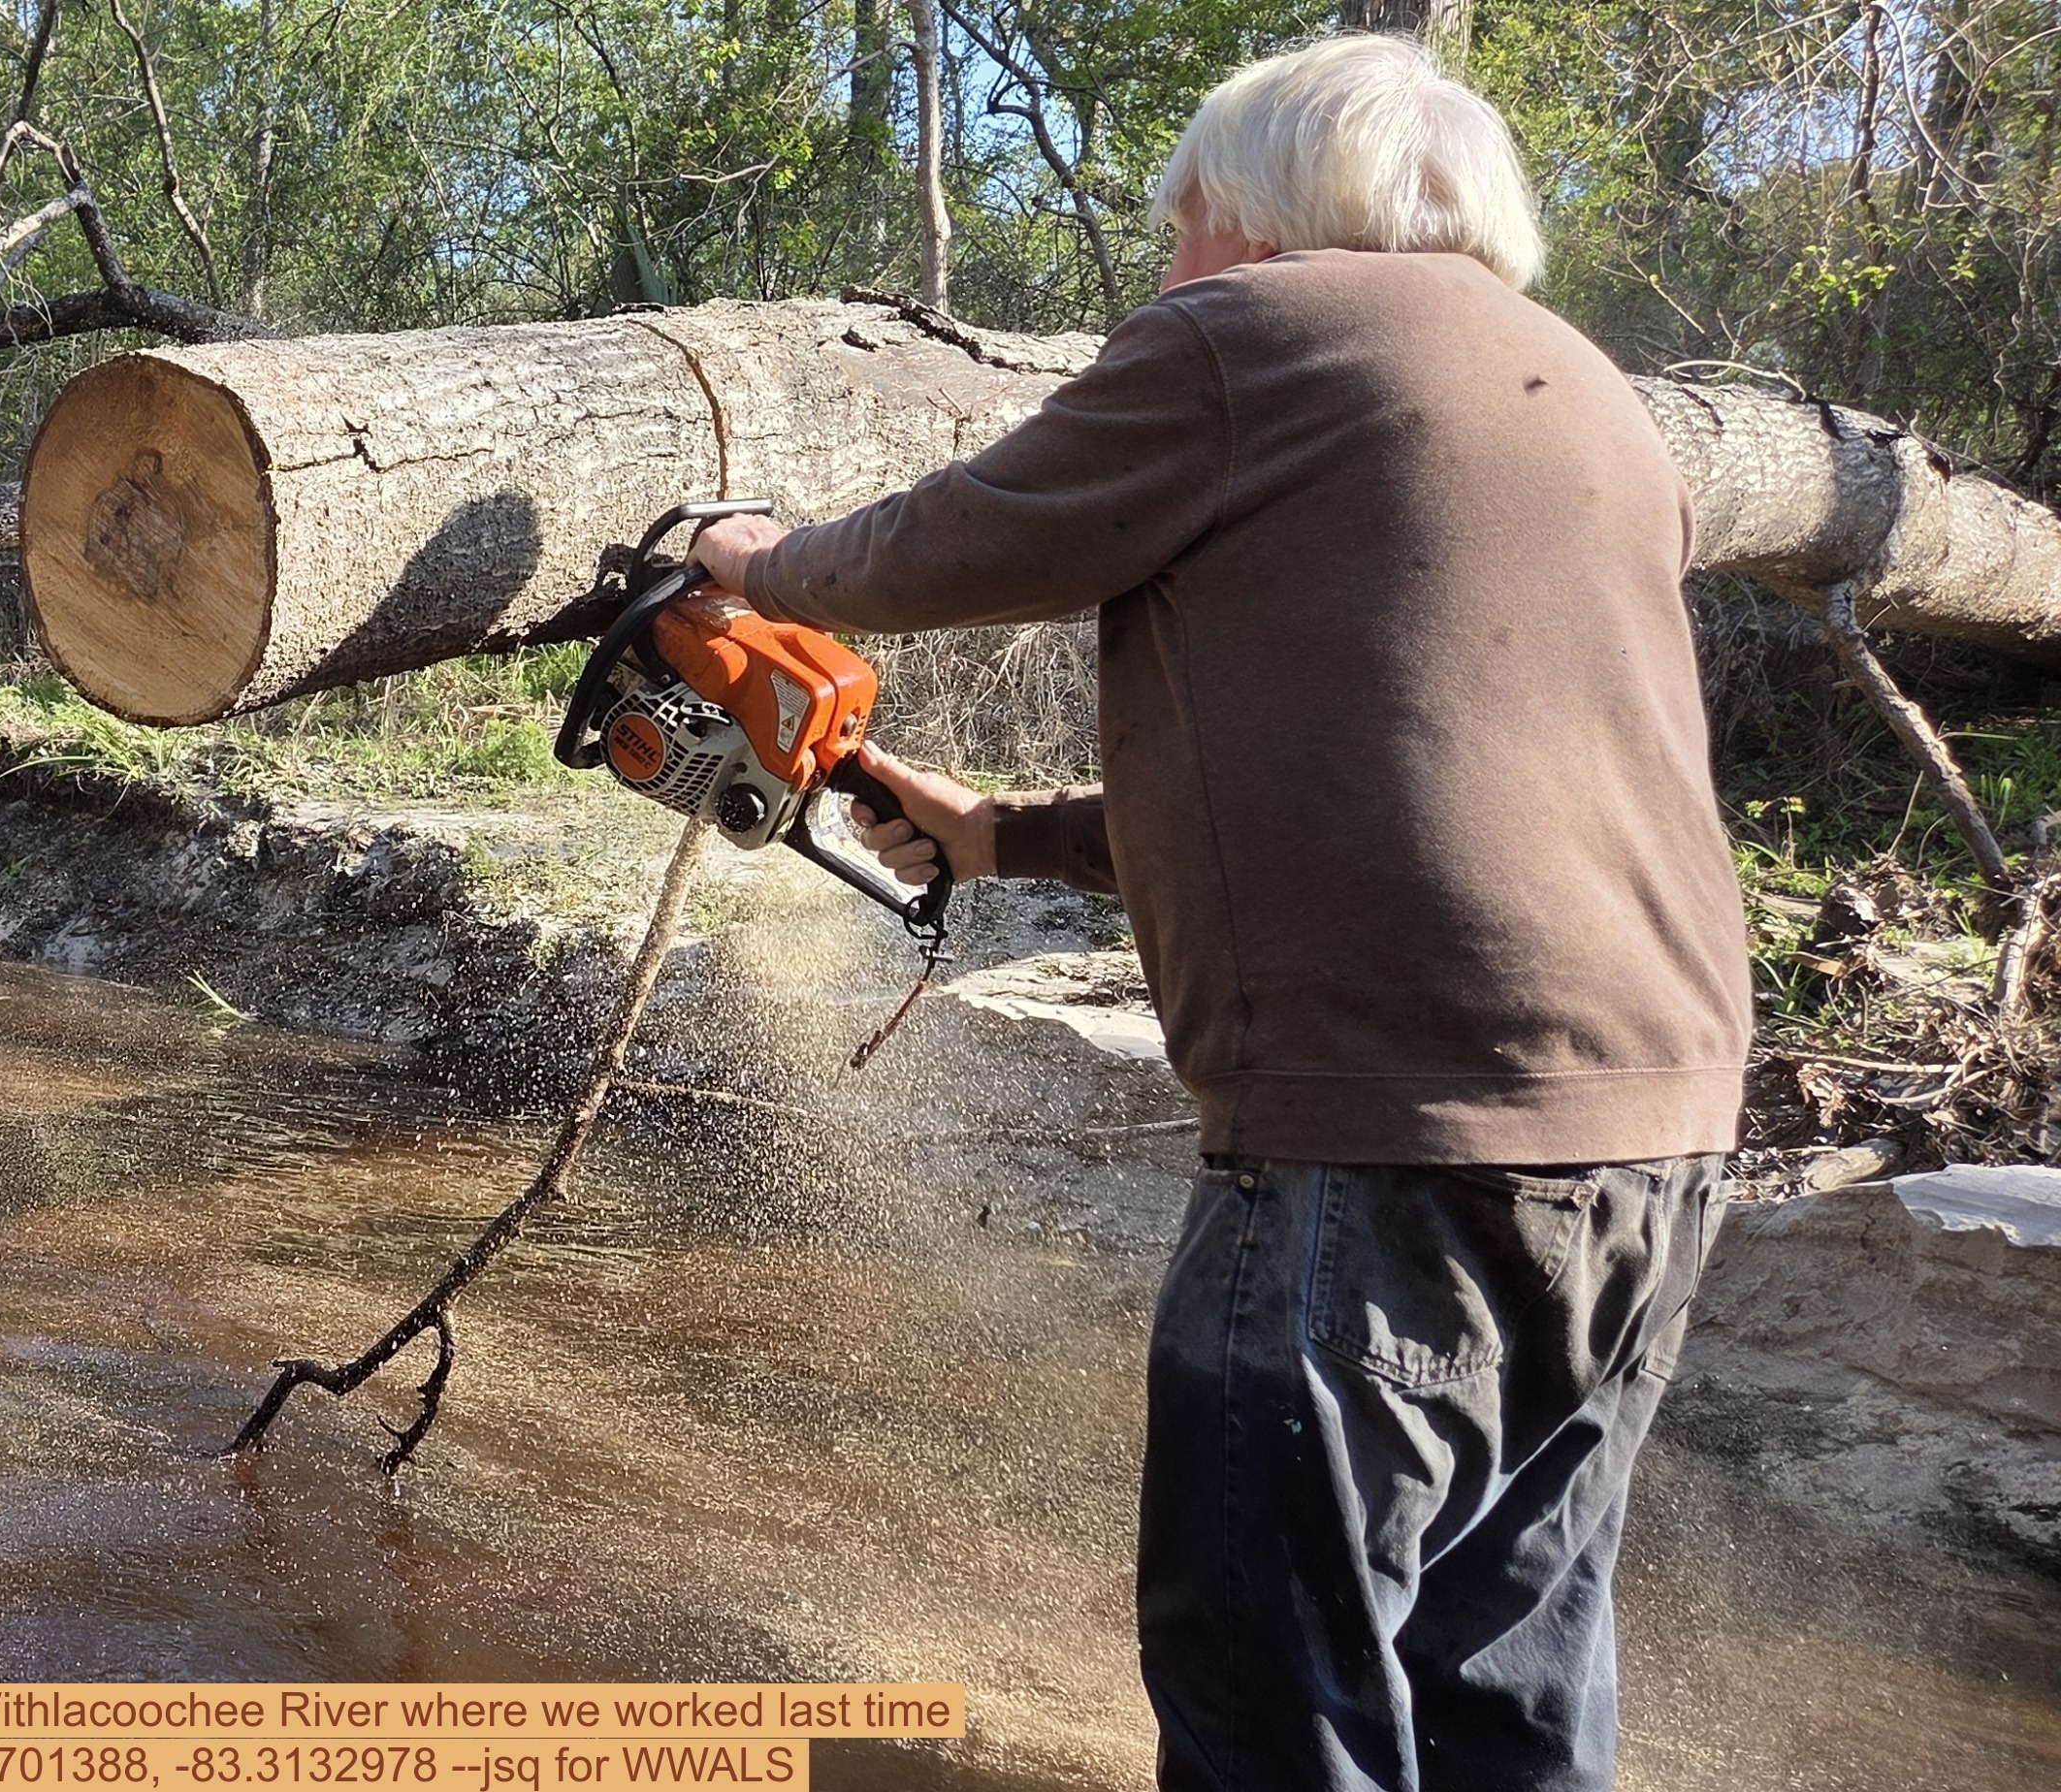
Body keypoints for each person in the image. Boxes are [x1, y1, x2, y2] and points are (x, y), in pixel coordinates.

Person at [679, 33, 1753, 1792]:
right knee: (1503, 1693)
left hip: (1387, 1131)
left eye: (1182, 221)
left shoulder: (1259, 334)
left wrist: (758, 560)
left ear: (1260, 210)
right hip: (1657, 1135)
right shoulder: (1590, 398)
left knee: (1276, 1703)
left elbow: (959, 540)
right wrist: (1005, 838)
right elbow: (1396, 778)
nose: (1170, 266)